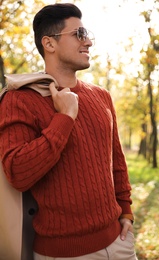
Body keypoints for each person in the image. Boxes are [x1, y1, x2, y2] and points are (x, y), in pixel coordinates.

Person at [0, 3, 138, 260]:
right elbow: (17, 173)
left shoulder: (101, 96)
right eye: (79, 34)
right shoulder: (19, 100)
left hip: (120, 244)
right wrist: (64, 118)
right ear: (49, 44)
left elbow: (116, 162)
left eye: (87, 35)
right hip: (61, 254)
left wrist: (126, 213)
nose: (88, 42)